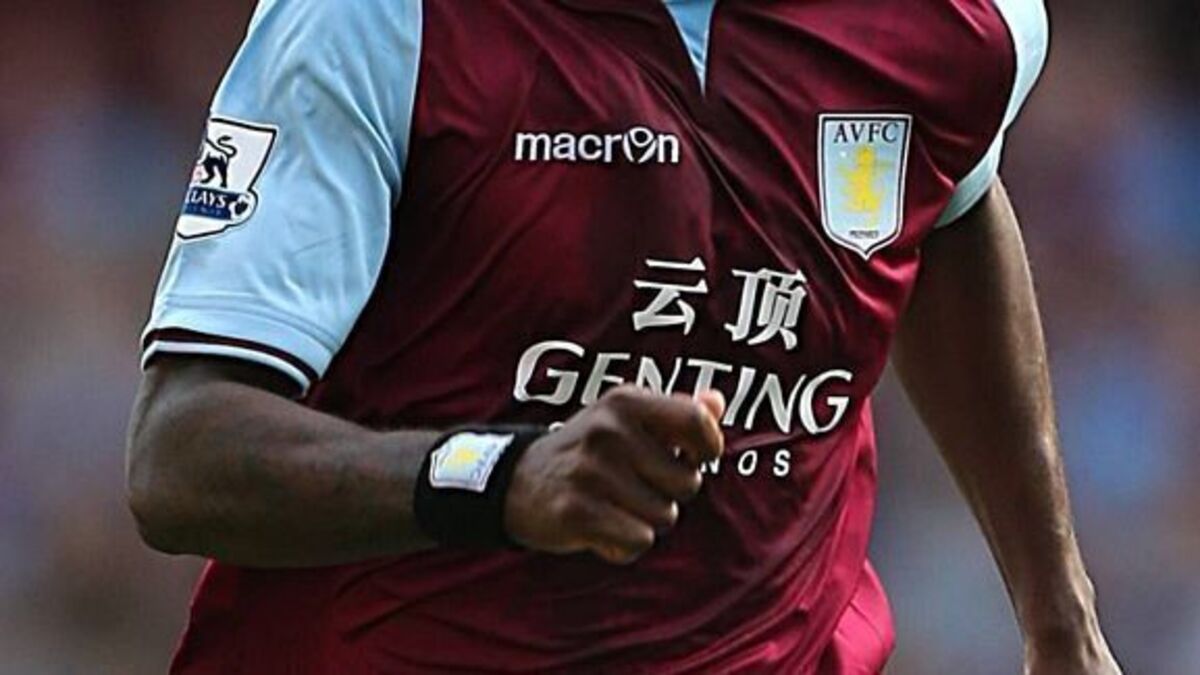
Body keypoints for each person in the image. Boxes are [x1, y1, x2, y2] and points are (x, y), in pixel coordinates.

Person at [126, 1, 1121, 672]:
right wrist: (501, 479)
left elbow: (952, 200)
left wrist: (1059, 617)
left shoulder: (958, 24)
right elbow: (181, 455)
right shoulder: (379, 21)